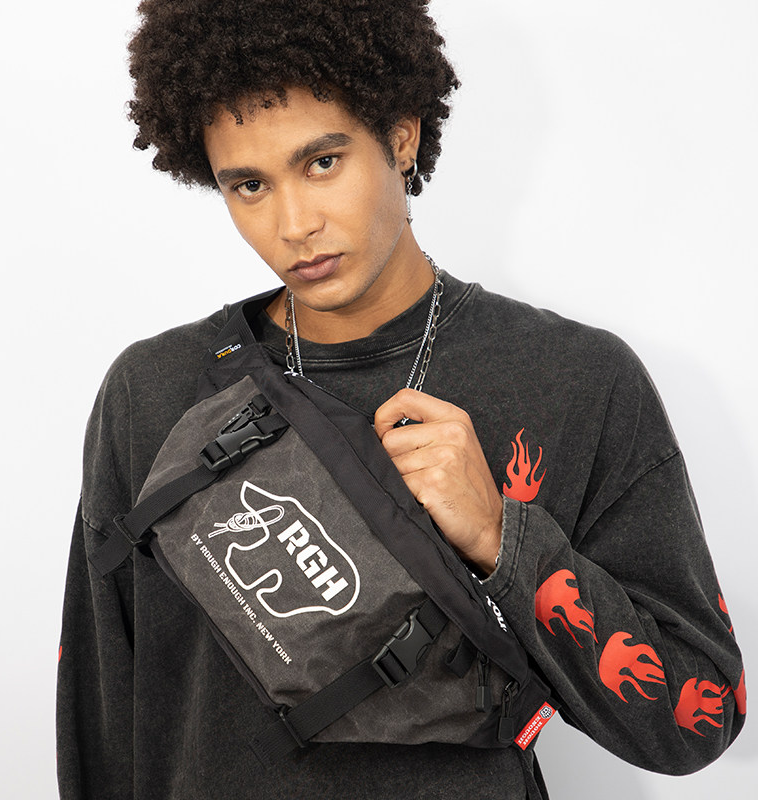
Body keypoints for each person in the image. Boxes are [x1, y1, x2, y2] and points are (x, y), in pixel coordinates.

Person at [56, 1, 746, 797]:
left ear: (402, 135)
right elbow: (101, 715)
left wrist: (502, 539)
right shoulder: (156, 392)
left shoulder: (577, 381)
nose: (294, 223)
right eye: (249, 184)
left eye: (322, 162)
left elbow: (698, 719)